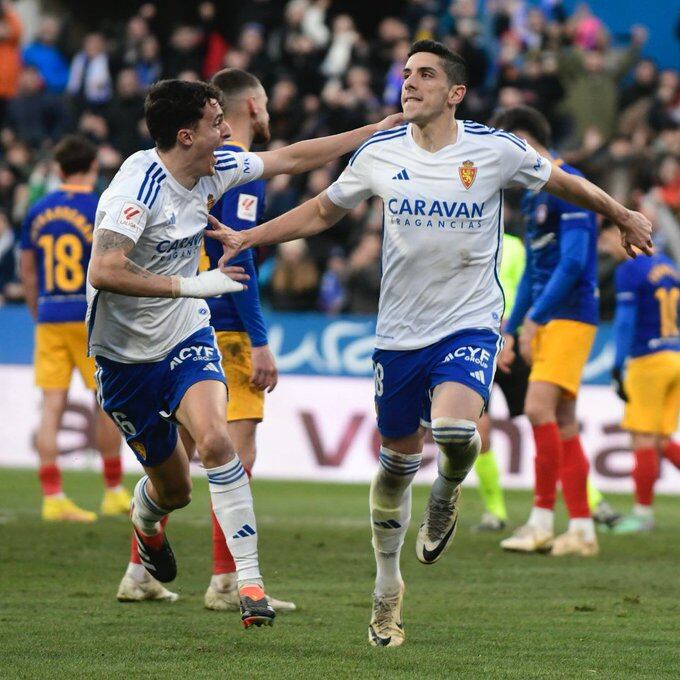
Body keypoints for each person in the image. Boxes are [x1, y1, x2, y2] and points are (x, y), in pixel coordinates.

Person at [207, 41, 653, 646]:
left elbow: (566, 183)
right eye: (406, 74)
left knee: (452, 433)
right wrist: (249, 236)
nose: (409, 83)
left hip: (469, 322)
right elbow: (320, 211)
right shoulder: (379, 153)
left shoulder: (494, 149)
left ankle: (447, 491)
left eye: (425, 75)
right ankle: (387, 588)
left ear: (455, 93)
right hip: (398, 335)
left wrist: (621, 212)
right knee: (394, 465)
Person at [86, 78, 402, 628]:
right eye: (216, 123)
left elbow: (293, 158)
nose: (228, 130)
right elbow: (105, 270)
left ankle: (248, 584)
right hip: (125, 357)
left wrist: (373, 132)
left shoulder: (220, 166)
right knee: (175, 489)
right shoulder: (136, 189)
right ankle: (146, 520)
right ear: (186, 136)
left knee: (217, 442)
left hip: (186, 333)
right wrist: (191, 286)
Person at [114, 69, 293, 612]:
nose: (266, 115)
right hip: (221, 325)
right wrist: (258, 339)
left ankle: (137, 573)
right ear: (250, 106)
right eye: (262, 104)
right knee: (235, 450)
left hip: (181, 319)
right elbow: (238, 256)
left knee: (183, 455)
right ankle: (226, 581)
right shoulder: (234, 166)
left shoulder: (196, 163)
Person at [491, 105, 600, 557]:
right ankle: (581, 529)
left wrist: (536, 318)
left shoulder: (568, 183)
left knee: (538, 409)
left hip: (571, 314)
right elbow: (536, 271)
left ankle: (540, 521)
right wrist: (513, 329)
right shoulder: (536, 195)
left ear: (523, 138)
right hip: (547, 316)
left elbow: (574, 262)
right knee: (565, 422)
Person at [18, 134, 128, 522]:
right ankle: (113, 490)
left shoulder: (37, 210)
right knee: (107, 404)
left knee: (51, 407)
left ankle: (52, 497)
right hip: (89, 317)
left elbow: (27, 269)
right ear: (93, 167)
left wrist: (37, 309)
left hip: (49, 315)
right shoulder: (99, 207)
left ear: (59, 169)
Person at [609, 225, 680, 533]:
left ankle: (642, 514)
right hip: (675, 355)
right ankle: (643, 512)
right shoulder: (672, 267)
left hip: (648, 360)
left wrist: (616, 365)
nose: (604, 241)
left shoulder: (630, 270)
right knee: (663, 440)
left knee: (643, 439)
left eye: (609, 234)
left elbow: (625, 321)